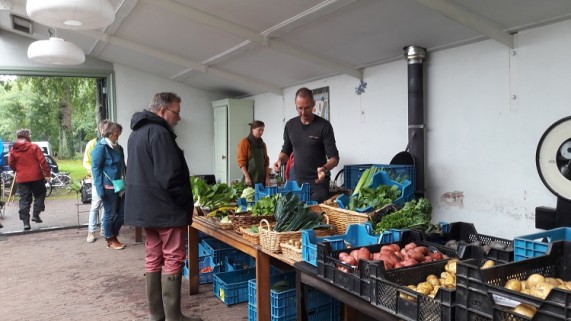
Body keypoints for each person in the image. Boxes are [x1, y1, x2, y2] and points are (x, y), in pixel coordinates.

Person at [124, 92, 201, 321]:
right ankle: (173, 316)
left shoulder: (136, 133)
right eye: (176, 112)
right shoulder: (159, 133)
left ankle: (157, 315)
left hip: (145, 209)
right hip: (165, 209)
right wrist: (187, 203)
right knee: (174, 257)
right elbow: (171, 176)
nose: (178, 117)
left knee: (153, 256)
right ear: (162, 110)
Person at [273, 87, 340, 203]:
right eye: (299, 108)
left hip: (317, 181)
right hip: (296, 180)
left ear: (313, 104)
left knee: (314, 211)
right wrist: (279, 161)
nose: (303, 112)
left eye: (307, 108)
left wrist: (324, 168)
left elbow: (334, 158)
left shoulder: (324, 126)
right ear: (295, 105)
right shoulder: (290, 125)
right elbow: (286, 150)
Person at [91, 122, 127, 250]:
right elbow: (95, 169)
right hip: (108, 187)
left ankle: (112, 236)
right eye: (118, 131)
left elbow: (123, 167)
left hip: (121, 186)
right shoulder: (101, 148)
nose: (119, 134)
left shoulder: (119, 148)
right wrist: (100, 190)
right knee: (110, 214)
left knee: (123, 213)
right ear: (110, 132)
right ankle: (111, 239)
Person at [8, 129, 51, 230]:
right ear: (27, 136)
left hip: (22, 178)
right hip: (37, 176)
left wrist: (17, 170)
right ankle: (36, 215)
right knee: (40, 194)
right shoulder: (34, 147)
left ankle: (26, 223)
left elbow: (10, 163)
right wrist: (47, 173)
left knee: (24, 199)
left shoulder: (13, 149)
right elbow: (43, 161)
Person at [83, 119, 109, 243]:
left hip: (108, 180)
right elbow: (87, 162)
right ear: (100, 129)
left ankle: (104, 229)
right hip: (97, 179)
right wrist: (94, 174)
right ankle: (91, 232)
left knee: (105, 204)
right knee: (95, 204)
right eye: (105, 128)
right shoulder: (92, 144)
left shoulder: (111, 143)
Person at [237, 120, 271, 187]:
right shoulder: (244, 142)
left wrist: (267, 177)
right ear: (252, 130)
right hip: (249, 180)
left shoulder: (263, 144)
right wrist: (247, 177)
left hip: (262, 180)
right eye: (259, 130)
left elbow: (266, 162)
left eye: (263, 130)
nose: (261, 132)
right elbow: (241, 162)